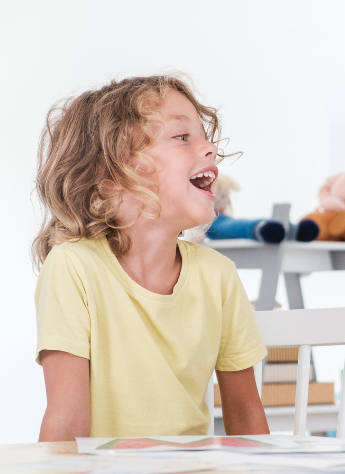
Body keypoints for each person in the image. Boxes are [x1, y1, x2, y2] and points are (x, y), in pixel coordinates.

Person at [33, 76, 269, 440]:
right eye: (181, 137)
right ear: (110, 177)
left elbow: (247, 417)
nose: (209, 148)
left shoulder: (217, 274)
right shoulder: (74, 268)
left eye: (204, 136)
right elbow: (67, 421)